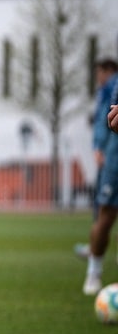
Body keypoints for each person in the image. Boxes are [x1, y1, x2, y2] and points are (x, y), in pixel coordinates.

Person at [76, 58, 118, 259]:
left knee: (105, 209)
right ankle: (94, 259)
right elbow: (107, 117)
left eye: (99, 72)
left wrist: (99, 145)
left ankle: (95, 259)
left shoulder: (111, 86)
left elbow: (106, 119)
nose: (97, 77)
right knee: (105, 209)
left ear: (108, 70)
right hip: (112, 153)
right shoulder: (107, 89)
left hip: (112, 154)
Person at [84, 76, 118, 295]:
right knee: (105, 215)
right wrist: (99, 145)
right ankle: (93, 272)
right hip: (115, 158)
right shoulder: (114, 84)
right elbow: (108, 117)